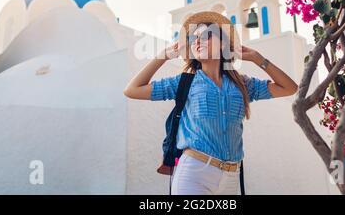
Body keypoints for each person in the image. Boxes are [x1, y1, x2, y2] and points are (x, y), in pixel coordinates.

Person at [123, 11, 298, 195]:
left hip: (232, 177)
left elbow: (289, 88)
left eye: (206, 36)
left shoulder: (243, 84)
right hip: (194, 174)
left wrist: (257, 58)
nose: (197, 41)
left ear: (223, 43)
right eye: (194, 38)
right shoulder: (184, 82)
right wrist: (162, 56)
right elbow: (132, 90)